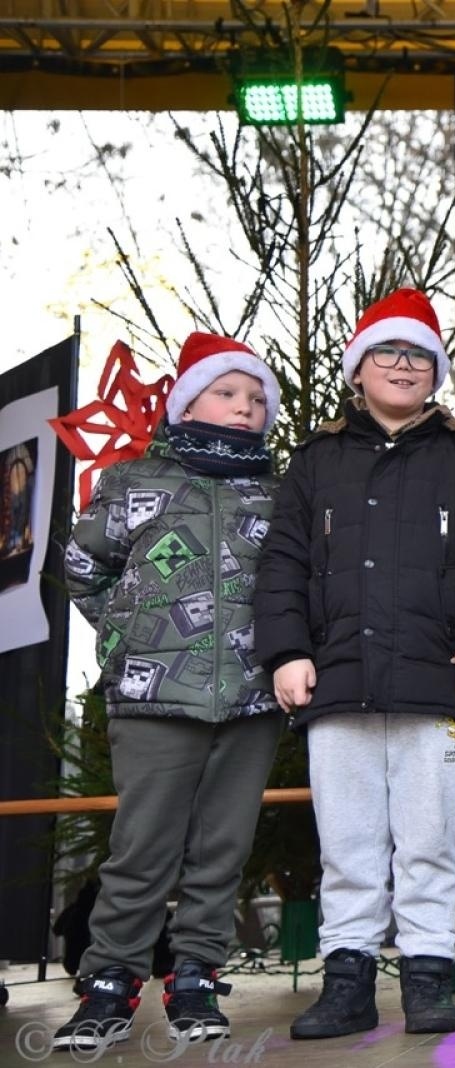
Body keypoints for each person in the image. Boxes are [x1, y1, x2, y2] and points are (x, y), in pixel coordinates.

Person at [254, 288, 455, 1039]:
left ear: (434, 372)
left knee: (431, 840)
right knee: (348, 845)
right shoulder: (315, 461)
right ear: (358, 367)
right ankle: (347, 982)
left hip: (441, 683)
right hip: (336, 687)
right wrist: (286, 651)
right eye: (388, 352)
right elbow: (282, 562)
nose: (403, 365)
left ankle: (431, 976)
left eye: (418, 355)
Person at [53, 332, 284, 1053]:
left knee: (222, 846)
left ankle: (195, 975)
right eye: (227, 392)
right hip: (155, 700)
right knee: (142, 847)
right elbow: (82, 565)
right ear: (188, 400)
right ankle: (109, 982)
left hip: (250, 701)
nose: (243, 407)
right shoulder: (131, 482)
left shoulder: (276, 494)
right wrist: (127, 639)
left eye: (255, 398)